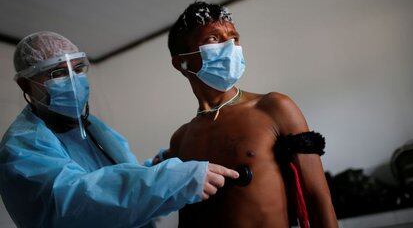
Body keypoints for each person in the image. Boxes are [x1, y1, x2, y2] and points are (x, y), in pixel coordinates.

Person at [0, 31, 239, 228]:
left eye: (78, 69)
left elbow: (122, 179)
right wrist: (173, 179)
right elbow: (78, 202)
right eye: (58, 73)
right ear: (26, 84)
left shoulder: (93, 127)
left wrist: (158, 165)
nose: (74, 81)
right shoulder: (21, 148)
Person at [154, 1, 338, 227]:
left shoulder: (274, 107)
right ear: (181, 62)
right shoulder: (181, 139)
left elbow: (318, 198)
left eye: (234, 38)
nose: (229, 46)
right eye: (213, 39)